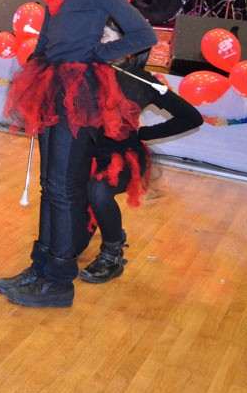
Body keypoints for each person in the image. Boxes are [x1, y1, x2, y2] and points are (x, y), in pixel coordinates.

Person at [0, 0, 158, 308]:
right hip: (49, 85)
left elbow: (143, 34)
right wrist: (36, 65)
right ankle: (41, 265)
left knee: (65, 189)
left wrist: (97, 54)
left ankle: (59, 280)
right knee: (49, 185)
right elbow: (48, 34)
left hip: (79, 93)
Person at [78, 29, 202, 283]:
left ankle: (112, 254)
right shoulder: (83, 72)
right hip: (85, 155)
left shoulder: (142, 81)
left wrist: (144, 133)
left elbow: (191, 117)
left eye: (108, 37)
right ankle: (103, 225)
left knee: (99, 190)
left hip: (123, 157)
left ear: (128, 47)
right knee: (70, 245)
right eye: (98, 36)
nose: (101, 42)